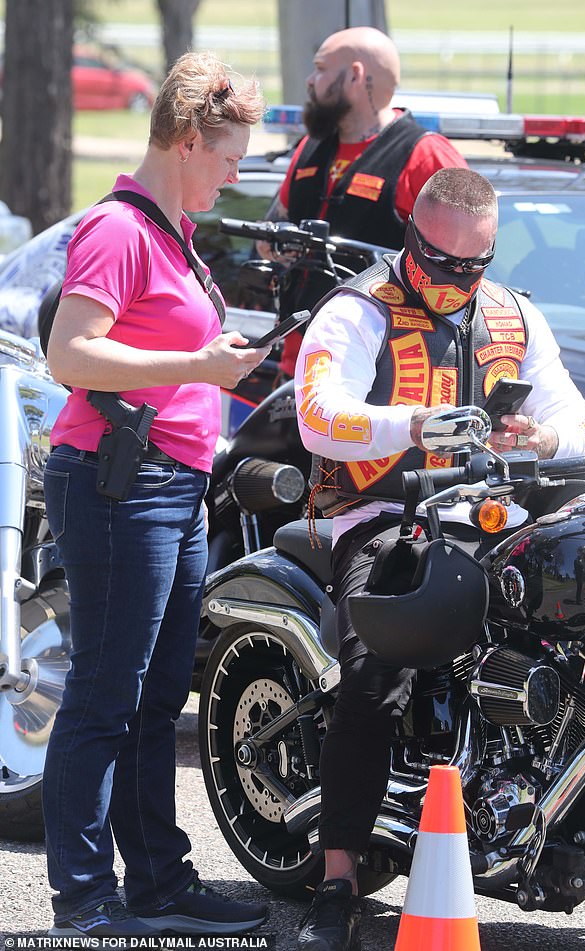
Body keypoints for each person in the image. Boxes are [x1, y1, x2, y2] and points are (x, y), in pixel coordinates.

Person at [293, 167, 585, 951]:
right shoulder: (357, 310)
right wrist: (413, 426)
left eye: (473, 266)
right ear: (411, 238)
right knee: (376, 672)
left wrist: (543, 437)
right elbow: (321, 416)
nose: (455, 281)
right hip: (382, 515)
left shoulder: (513, 315)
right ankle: (336, 882)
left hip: (490, 516)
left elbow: (575, 414)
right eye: (438, 263)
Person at [42, 51, 271, 939]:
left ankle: (157, 883)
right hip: (118, 483)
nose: (235, 173)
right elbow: (71, 354)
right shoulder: (120, 229)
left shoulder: (168, 231)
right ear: (185, 141)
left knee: (153, 692)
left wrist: (219, 367)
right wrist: (198, 365)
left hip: (168, 485)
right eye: (228, 157)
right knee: (106, 691)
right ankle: (84, 900)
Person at [263, 25, 467, 380]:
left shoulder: (426, 155)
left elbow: (468, 266)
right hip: (298, 365)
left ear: (356, 75)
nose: (311, 80)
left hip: (384, 372)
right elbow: (268, 238)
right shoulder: (307, 149)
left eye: (321, 68)